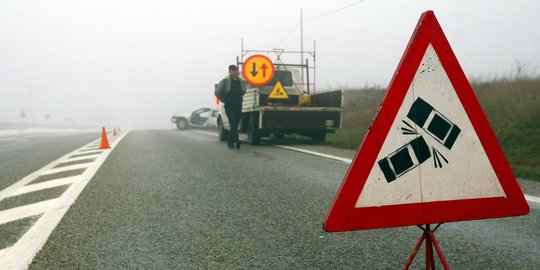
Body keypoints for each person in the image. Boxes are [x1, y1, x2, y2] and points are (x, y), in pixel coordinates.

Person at [215, 65, 247, 149]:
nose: (235, 72)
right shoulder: (225, 81)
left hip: (238, 104)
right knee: (232, 122)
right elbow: (217, 92)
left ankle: (230, 140)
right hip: (229, 105)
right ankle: (237, 141)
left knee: (235, 124)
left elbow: (244, 90)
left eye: (236, 71)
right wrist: (224, 99)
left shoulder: (241, 81)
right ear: (229, 72)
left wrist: (240, 97)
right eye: (233, 71)